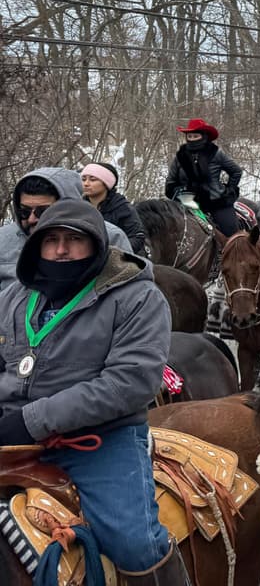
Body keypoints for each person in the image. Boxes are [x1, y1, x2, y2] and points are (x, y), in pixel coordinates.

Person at [0, 199, 186, 584]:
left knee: (132, 541)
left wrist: (31, 420)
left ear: (98, 246)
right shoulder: (14, 297)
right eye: (50, 240)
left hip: (101, 438)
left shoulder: (137, 298)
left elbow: (129, 382)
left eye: (74, 240)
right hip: (10, 430)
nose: (61, 250)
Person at [1, 168, 137, 287]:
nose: (31, 219)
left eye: (42, 212)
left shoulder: (111, 237)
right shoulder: (3, 240)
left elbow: (129, 295)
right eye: (24, 211)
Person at [164, 118, 243, 237]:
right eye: (189, 136)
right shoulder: (180, 156)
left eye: (195, 136)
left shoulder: (216, 153)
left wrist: (229, 189)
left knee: (231, 233)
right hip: (186, 203)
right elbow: (170, 182)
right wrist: (179, 190)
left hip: (216, 202)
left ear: (204, 136)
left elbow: (236, 171)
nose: (192, 139)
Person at [81, 162, 147, 254]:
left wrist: (114, 252)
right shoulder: (79, 206)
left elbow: (137, 237)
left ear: (106, 183)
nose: (86, 183)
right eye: (83, 179)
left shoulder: (123, 208)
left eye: (93, 180)